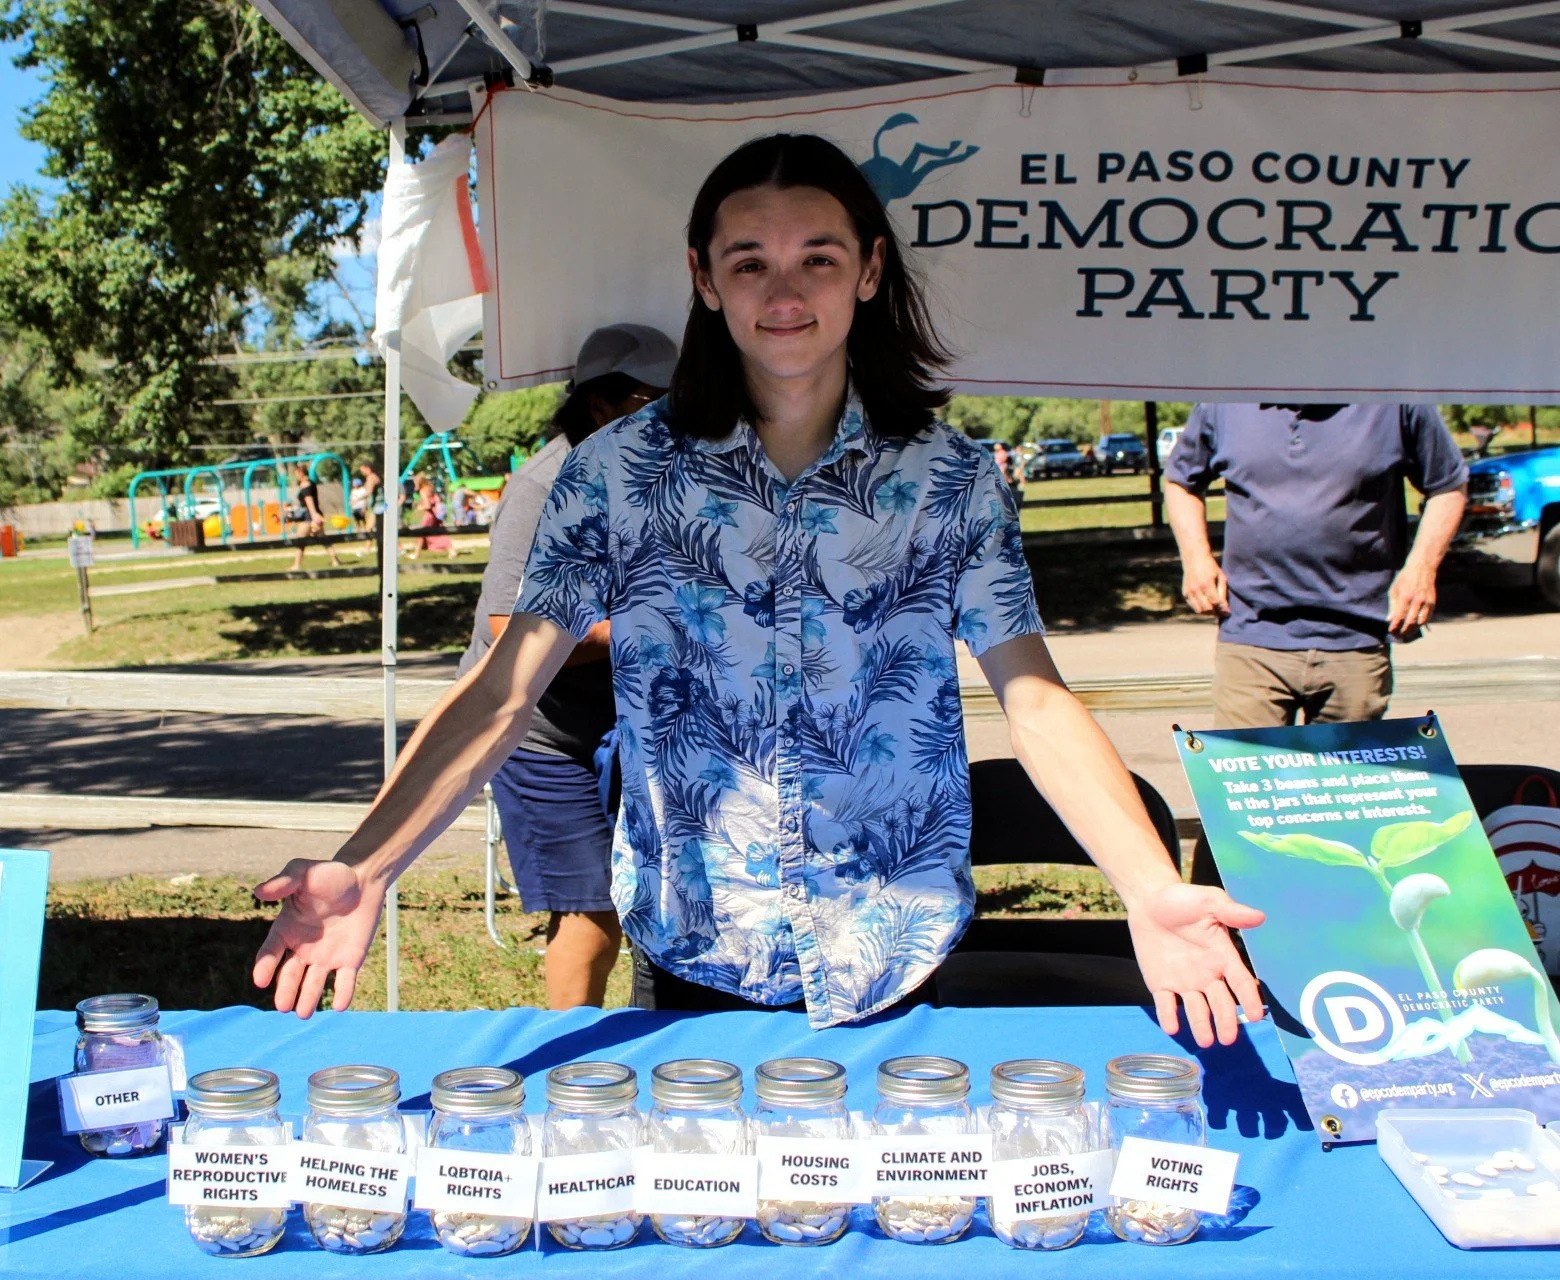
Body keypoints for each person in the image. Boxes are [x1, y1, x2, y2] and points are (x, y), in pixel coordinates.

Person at [252, 133, 1264, 1048]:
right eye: (751, 262)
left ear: (869, 269)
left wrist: (1149, 885)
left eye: (818, 257)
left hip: (896, 952)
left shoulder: (952, 480)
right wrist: (369, 862)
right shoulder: (610, 475)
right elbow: (503, 689)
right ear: (704, 278)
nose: (785, 292)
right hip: (696, 958)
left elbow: (1035, 699)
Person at [456, 324, 675, 1009]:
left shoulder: (667, 468)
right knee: (592, 919)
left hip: (628, 726)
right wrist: (638, 630)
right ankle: (576, 1078)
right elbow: (504, 631)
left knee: (662, 906)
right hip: (543, 735)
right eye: (664, 397)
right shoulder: (543, 484)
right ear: (606, 404)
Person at [1165, 404, 1468, 730]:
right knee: (1244, 777)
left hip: (1356, 639)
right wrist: (1195, 559)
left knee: (1348, 781)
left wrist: (1422, 569)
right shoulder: (1226, 400)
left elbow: (1448, 485)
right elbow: (1181, 481)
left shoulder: (1393, 398)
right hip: (1251, 636)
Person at [287, 463, 340, 571]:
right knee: (323, 539)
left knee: (300, 540)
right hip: (315, 513)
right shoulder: (311, 483)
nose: (296, 476)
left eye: (296, 473)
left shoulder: (305, 484)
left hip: (309, 516)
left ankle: (297, 565)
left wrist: (314, 515)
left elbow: (309, 500)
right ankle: (335, 560)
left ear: (301, 472)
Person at [407, 478, 453, 559]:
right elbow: (437, 500)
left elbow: (427, 505)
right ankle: (452, 551)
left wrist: (420, 507)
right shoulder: (430, 489)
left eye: (415, 483)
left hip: (429, 516)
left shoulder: (423, 491)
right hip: (435, 515)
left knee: (421, 534)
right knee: (439, 533)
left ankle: (416, 554)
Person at [358, 462, 383, 535]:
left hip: (379, 506)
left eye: (362, 471)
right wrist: (364, 506)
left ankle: (367, 546)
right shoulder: (372, 477)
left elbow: (369, 492)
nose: (362, 473)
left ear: (368, 468)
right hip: (376, 506)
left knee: (369, 527)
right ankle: (367, 546)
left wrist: (357, 500)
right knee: (370, 527)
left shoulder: (371, 477)